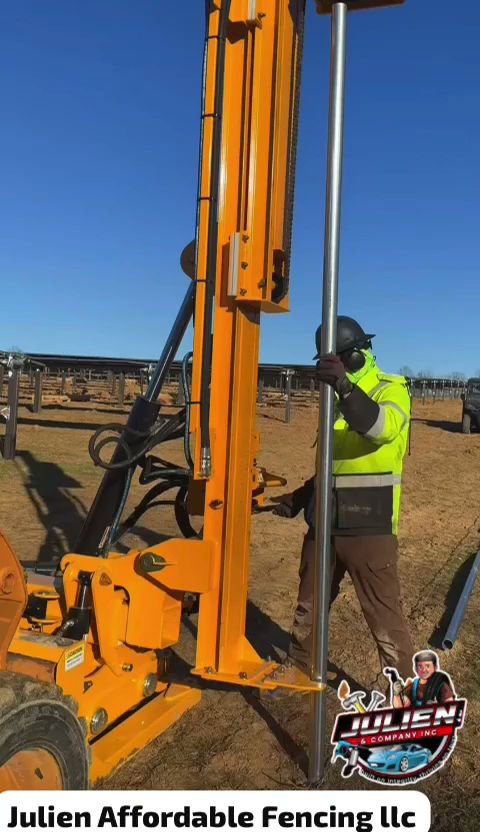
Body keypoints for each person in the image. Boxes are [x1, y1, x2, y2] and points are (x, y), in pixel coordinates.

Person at [272, 316, 414, 682]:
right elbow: (334, 463)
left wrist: (347, 389)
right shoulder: (333, 397)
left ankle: (408, 694)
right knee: (309, 604)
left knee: (384, 615)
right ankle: (301, 665)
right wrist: (304, 495)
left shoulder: (389, 389)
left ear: (353, 357)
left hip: (369, 523)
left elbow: (381, 428)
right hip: (325, 523)